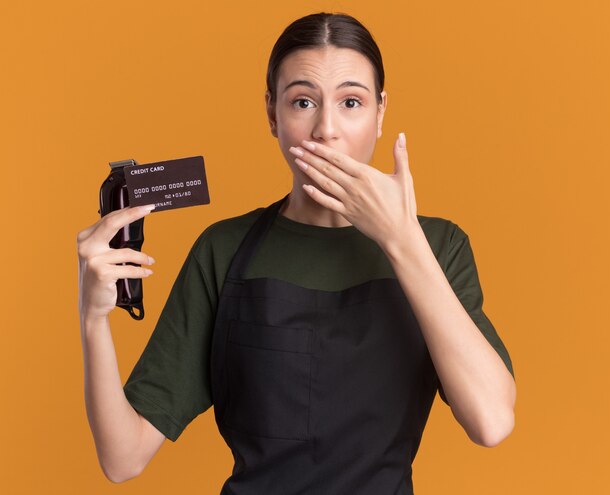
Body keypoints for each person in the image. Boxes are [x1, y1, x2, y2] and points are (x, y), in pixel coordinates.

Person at [77, 11, 516, 493]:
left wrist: (401, 238)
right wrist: (93, 320)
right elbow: (122, 458)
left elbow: (491, 422)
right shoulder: (223, 251)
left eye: (351, 102)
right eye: (303, 101)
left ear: (381, 112)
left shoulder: (439, 246)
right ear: (272, 114)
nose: (326, 129)